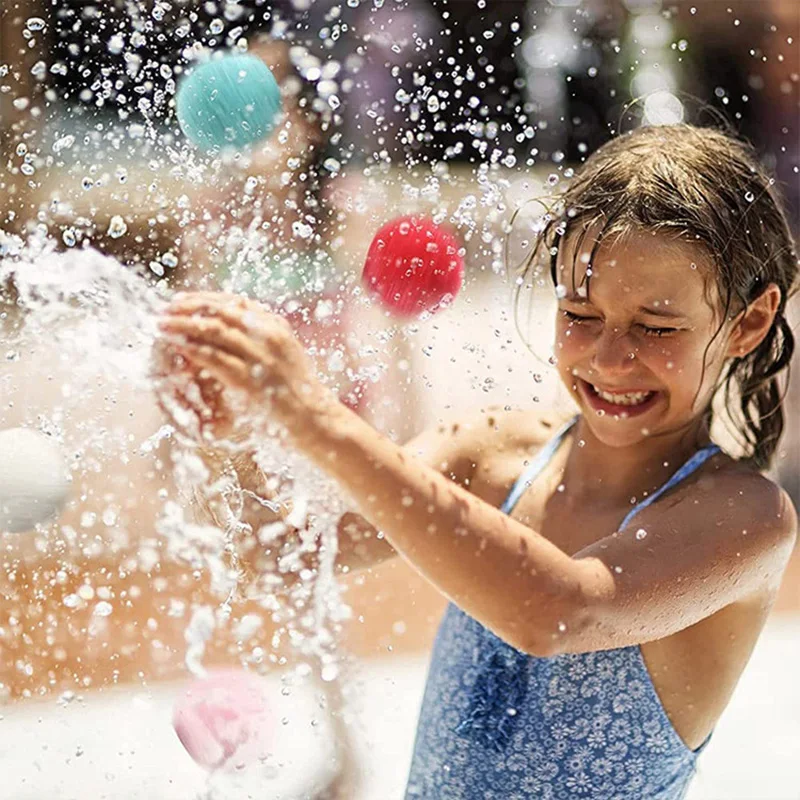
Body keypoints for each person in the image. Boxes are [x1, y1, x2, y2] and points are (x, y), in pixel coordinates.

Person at [153, 123, 798, 799]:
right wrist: (224, 436)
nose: (610, 357)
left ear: (748, 323)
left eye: (656, 327)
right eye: (579, 312)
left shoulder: (744, 518)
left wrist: (313, 417)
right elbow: (281, 556)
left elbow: (559, 612)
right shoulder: (489, 456)